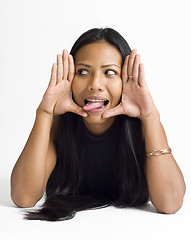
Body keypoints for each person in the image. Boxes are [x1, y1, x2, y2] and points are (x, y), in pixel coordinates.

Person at [10, 28, 186, 221]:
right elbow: (23, 197)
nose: (95, 84)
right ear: (70, 77)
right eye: (83, 71)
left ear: (125, 80)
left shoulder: (143, 127)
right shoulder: (59, 126)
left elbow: (170, 203)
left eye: (110, 72)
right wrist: (44, 113)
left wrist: (150, 116)